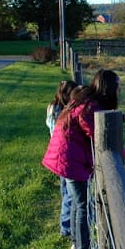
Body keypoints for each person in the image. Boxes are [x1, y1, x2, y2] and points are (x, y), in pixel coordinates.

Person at [42, 69, 125, 249]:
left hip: (67, 157)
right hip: (70, 160)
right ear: (109, 88)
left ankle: (76, 242)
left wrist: (124, 117)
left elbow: (99, 120)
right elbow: (99, 133)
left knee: (76, 202)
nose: (119, 90)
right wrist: (123, 152)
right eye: (118, 87)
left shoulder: (87, 100)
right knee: (81, 206)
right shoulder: (89, 107)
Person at [46, 80, 79, 238]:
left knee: (66, 191)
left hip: (58, 156)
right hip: (63, 155)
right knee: (70, 195)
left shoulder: (53, 107)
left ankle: (66, 224)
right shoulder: (60, 111)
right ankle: (66, 227)